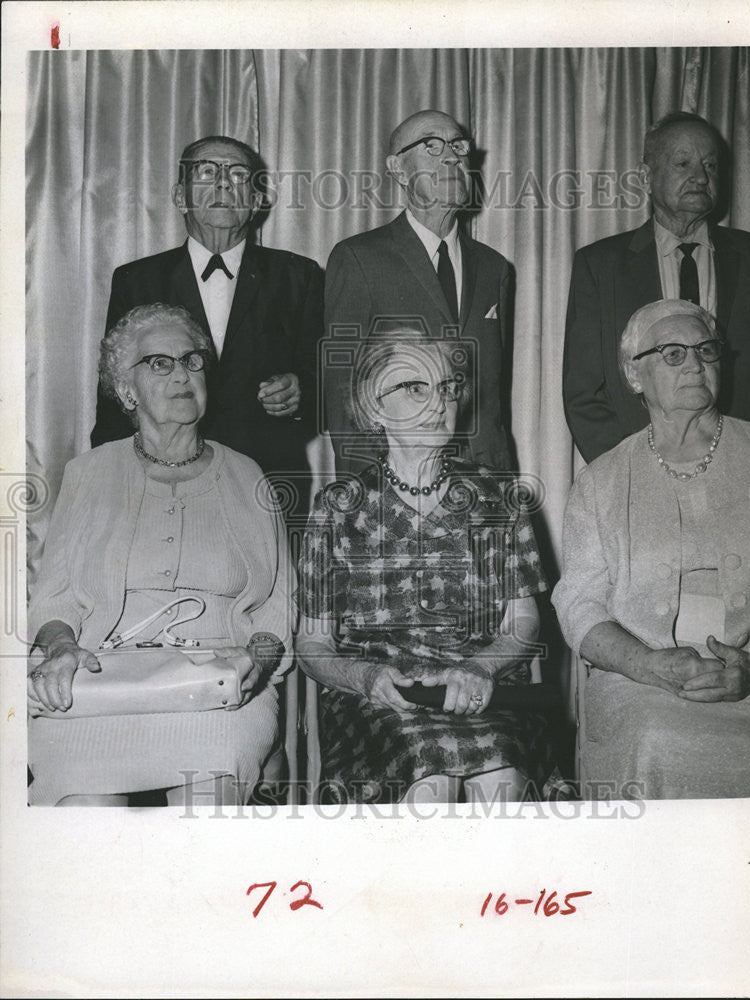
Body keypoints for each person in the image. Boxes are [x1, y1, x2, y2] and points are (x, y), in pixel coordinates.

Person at [27, 303, 295, 806]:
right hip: (102, 679)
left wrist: (253, 662)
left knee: (207, 803)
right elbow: (54, 599)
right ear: (126, 390)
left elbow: (278, 607)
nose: (181, 374)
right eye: (159, 363)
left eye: (192, 361)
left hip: (220, 686)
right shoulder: (88, 473)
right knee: (78, 803)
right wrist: (62, 648)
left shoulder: (248, 475)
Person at [296, 329, 555, 804]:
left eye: (447, 387)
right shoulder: (338, 508)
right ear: (373, 408)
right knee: (428, 780)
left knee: (502, 779)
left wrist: (480, 668)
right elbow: (311, 643)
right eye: (415, 387)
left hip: (482, 688)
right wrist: (364, 679)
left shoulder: (498, 497)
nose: (439, 402)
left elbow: (524, 624)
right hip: (377, 699)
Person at [552, 299, 750, 799]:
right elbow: (579, 606)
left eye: (705, 350)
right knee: (656, 739)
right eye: (673, 354)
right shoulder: (601, 481)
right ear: (635, 376)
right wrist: (648, 665)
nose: (696, 364)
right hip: (641, 683)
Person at [90, 134, 324, 515]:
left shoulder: (299, 276)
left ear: (257, 199)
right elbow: (115, 395)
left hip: (268, 482)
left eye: (237, 173)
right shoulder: (137, 280)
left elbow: (327, 380)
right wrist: (109, 480)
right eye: (206, 172)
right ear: (180, 196)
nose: (223, 183)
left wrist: (302, 392)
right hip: (160, 479)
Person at [563, 111, 750, 463]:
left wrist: (744, 459)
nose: (699, 177)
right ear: (645, 178)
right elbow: (584, 394)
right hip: (637, 476)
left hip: (742, 470)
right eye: (683, 163)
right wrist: (633, 471)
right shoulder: (600, 265)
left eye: (710, 165)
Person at [324, 109, 514, 474]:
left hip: (484, 477)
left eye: (459, 146)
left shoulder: (495, 268)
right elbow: (342, 390)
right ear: (397, 169)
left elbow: (492, 393)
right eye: (431, 146)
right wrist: (363, 488)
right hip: (397, 480)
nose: (451, 156)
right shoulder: (359, 258)